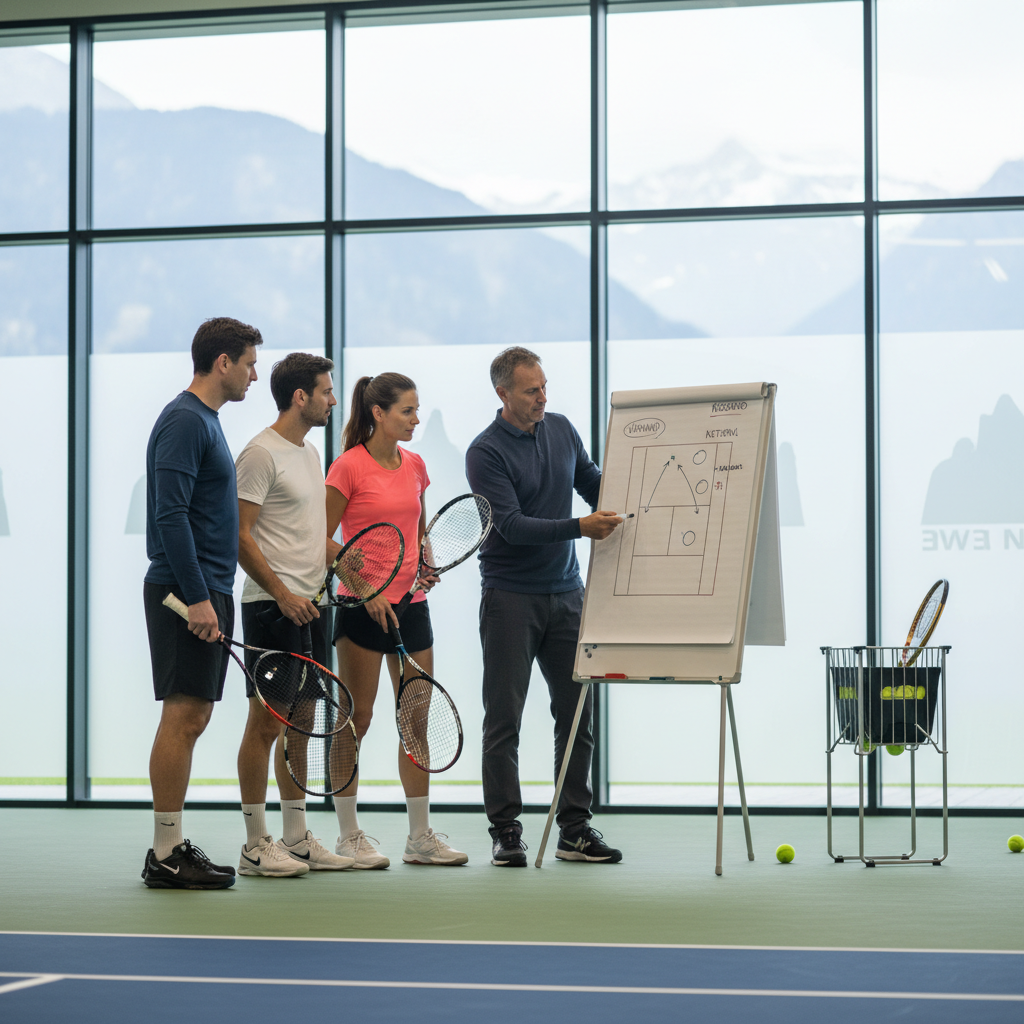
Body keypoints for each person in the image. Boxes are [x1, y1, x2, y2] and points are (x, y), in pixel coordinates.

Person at [465, 346, 624, 867]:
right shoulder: (484, 452)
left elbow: (592, 484)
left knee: (577, 715)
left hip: (568, 595)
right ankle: (506, 831)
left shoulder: (560, 428)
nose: (542, 397)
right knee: (504, 718)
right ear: (503, 393)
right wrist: (581, 527)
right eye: (531, 390)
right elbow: (509, 525)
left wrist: (636, 493)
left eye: (544, 387)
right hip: (510, 598)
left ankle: (574, 831)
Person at [325, 373, 468, 868]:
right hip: (360, 607)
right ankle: (348, 835)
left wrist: (425, 557)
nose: (415, 418)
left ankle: (419, 836)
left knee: (415, 720)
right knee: (356, 720)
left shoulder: (416, 464)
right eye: (407, 410)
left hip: (411, 605)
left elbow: (418, 523)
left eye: (417, 409)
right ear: (379, 413)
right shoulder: (347, 467)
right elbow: (321, 540)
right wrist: (366, 591)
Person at [140, 317, 261, 890]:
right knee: (183, 715)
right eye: (249, 363)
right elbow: (169, 515)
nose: (254, 375)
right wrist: (196, 598)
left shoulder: (205, 422)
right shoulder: (185, 421)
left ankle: (169, 846)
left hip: (207, 589)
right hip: (187, 591)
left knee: (196, 715)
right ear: (222, 363)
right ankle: (165, 853)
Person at [233, 352, 354, 877]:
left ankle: (296, 835)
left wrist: (362, 582)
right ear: (300, 396)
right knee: (265, 724)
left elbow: (314, 540)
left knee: (304, 722)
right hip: (271, 608)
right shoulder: (260, 454)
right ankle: (255, 843)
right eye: (326, 391)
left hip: (313, 608)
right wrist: (282, 594)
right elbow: (237, 537)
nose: (333, 399)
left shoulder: (308, 454)